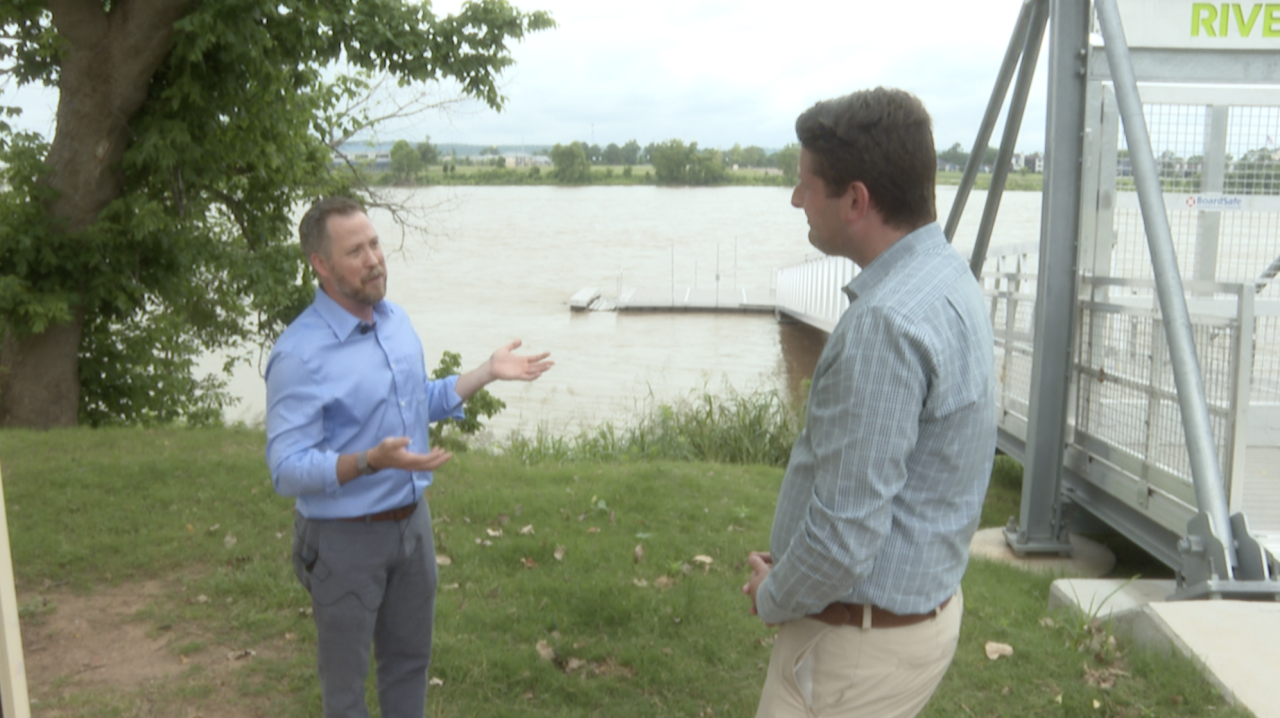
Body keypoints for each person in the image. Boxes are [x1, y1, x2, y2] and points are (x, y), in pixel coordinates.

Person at [742, 87, 996, 717]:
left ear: (855, 199)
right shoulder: (945, 274)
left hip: (852, 653)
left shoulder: (885, 325)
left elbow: (842, 538)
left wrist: (773, 595)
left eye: (806, 185)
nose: (796, 199)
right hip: (910, 624)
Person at [265, 196, 553, 718]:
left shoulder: (394, 322)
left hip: (411, 530)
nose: (374, 259)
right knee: (347, 692)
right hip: (343, 541)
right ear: (321, 265)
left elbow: (420, 399)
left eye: (375, 243)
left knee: (408, 667)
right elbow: (286, 470)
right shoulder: (297, 354)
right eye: (356, 251)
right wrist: (368, 461)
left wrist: (486, 372)